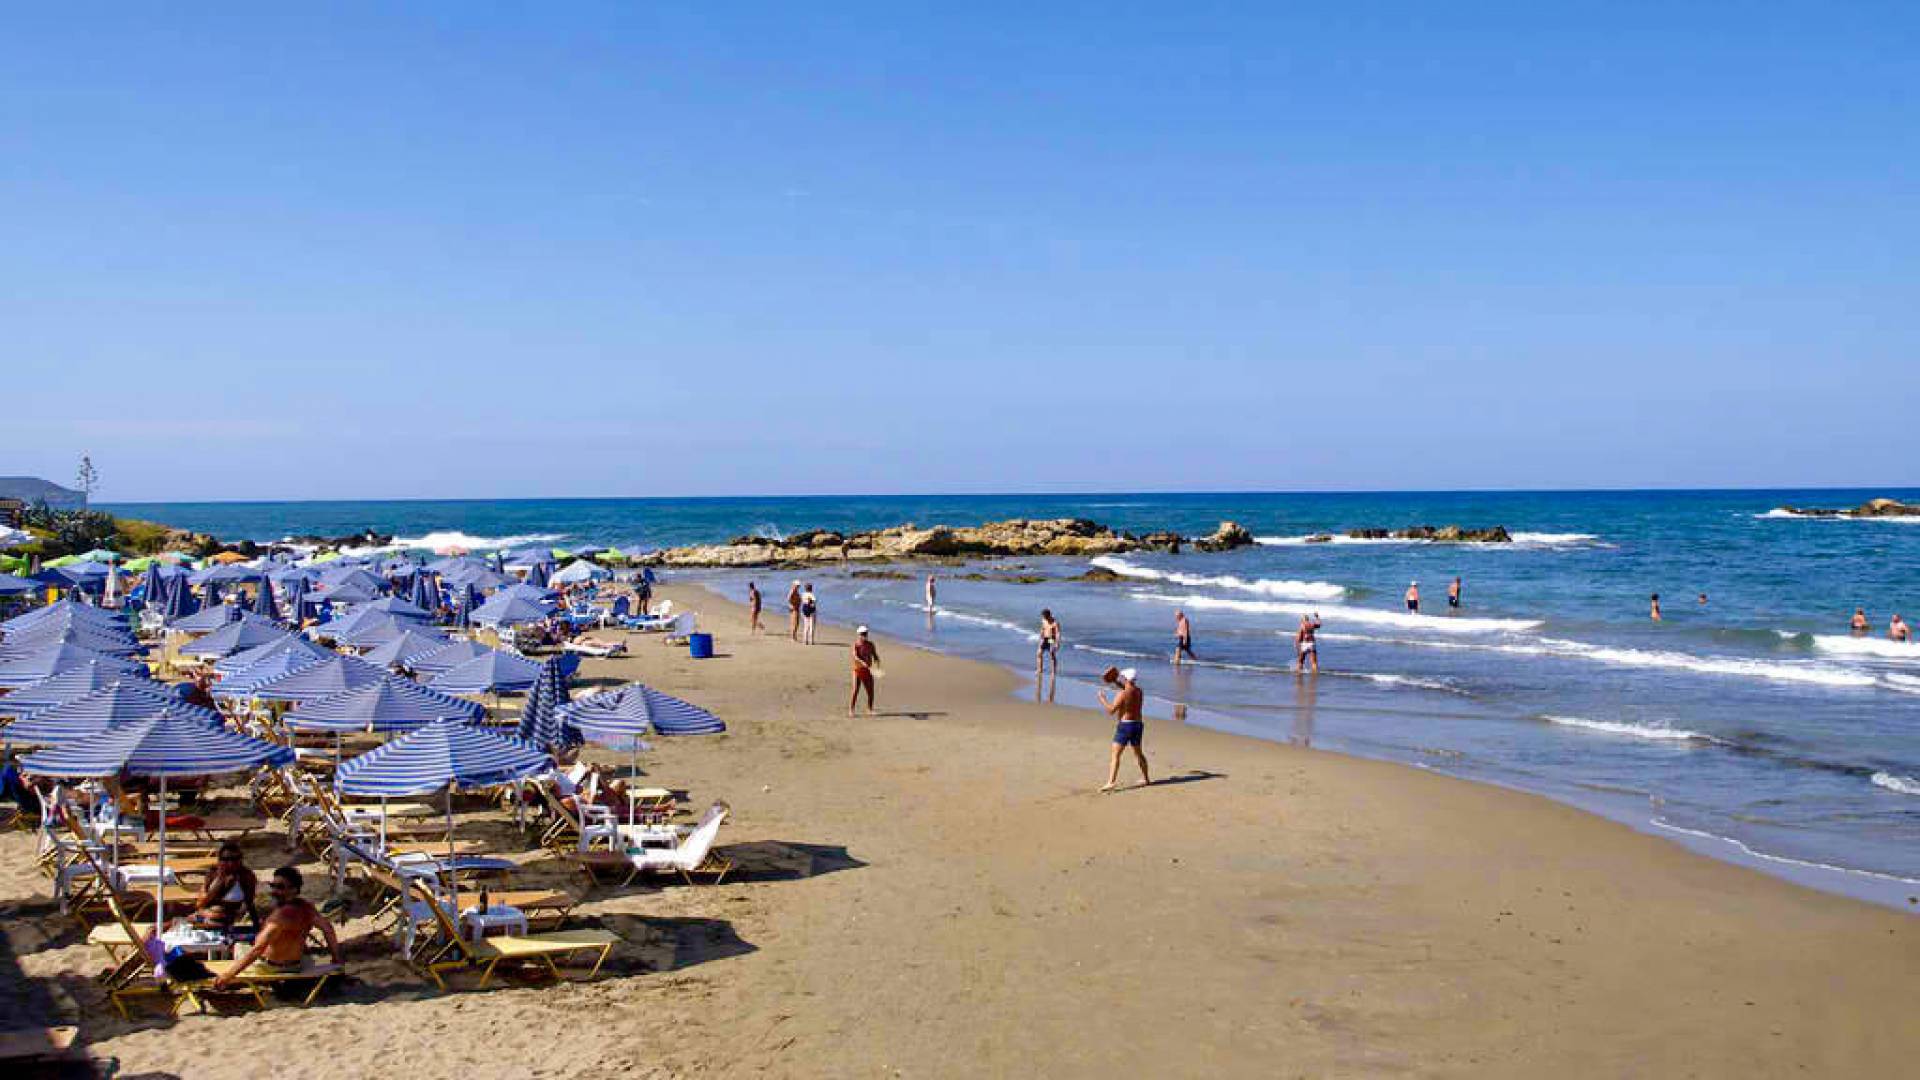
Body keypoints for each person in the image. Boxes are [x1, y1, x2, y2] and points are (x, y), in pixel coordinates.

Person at [212, 865, 341, 989]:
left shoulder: (280, 916)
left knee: (239, 946)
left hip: (271, 967)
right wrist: (336, 958)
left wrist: (229, 975)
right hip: (297, 966)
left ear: (294, 889)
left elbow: (257, 950)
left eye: (280, 887)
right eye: (272, 886)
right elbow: (328, 929)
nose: (274, 891)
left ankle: (241, 981)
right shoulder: (307, 908)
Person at [181, 841, 258, 931]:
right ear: (219, 860)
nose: (230, 863)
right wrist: (219, 881)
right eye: (225, 859)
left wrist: (254, 923)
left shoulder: (247, 876)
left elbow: (249, 903)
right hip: (208, 914)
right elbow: (200, 904)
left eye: (235, 859)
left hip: (229, 918)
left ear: (241, 859)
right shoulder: (213, 874)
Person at [1097, 667, 1149, 792]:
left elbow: (1111, 710)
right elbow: (1127, 689)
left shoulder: (1122, 694)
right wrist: (1116, 682)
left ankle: (1111, 782)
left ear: (1126, 678)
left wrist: (1102, 698)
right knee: (1139, 753)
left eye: (1122, 678)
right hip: (1138, 725)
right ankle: (1146, 778)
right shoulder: (1139, 691)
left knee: (1116, 755)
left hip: (1125, 726)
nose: (1121, 679)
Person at [849, 626, 880, 715]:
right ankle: (851, 710)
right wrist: (862, 662)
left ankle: (869, 709)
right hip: (858, 670)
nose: (864, 635)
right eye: (862, 634)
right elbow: (855, 656)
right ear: (858, 634)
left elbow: (874, 655)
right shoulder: (856, 645)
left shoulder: (870, 644)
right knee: (855, 690)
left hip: (868, 671)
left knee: (870, 691)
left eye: (865, 634)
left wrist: (877, 661)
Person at [1036, 609, 1061, 677]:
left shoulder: (1055, 623)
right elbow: (1043, 628)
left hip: (1051, 639)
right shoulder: (1044, 620)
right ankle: (1039, 669)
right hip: (1045, 638)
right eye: (1043, 617)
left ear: (1049, 616)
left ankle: (1053, 672)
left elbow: (1058, 633)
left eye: (1045, 617)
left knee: (1051, 655)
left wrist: (1057, 643)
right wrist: (1041, 637)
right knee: (1039, 654)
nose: (1044, 618)